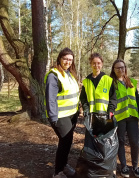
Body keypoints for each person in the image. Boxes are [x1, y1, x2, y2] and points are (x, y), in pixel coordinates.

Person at [79, 52, 117, 177]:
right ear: (90, 64)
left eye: (99, 63)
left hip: (105, 118)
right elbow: (83, 98)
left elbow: (113, 98)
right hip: (91, 118)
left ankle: (107, 171)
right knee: (91, 146)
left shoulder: (108, 80)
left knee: (104, 146)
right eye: (94, 63)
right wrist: (85, 109)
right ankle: (92, 171)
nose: (96, 65)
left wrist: (111, 111)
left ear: (102, 64)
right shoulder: (86, 81)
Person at [45, 47, 79, 178]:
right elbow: (50, 98)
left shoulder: (69, 74)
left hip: (71, 115)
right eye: (65, 59)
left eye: (70, 59)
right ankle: (58, 172)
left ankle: (64, 165)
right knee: (65, 141)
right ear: (59, 58)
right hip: (60, 116)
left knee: (67, 141)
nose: (68, 61)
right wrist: (53, 117)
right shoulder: (54, 75)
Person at [110, 59, 139, 178]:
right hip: (119, 117)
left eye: (123, 67)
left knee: (134, 142)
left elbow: (137, 99)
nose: (121, 69)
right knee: (121, 141)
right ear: (114, 70)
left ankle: (135, 166)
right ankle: (123, 166)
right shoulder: (112, 83)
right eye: (118, 68)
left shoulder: (132, 82)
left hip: (133, 117)